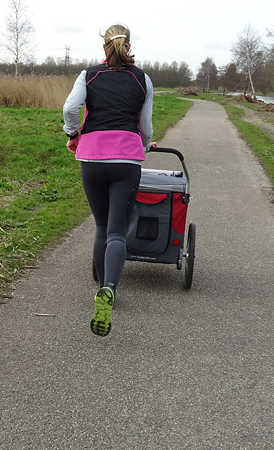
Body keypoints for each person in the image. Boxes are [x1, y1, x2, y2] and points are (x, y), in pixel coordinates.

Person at [62, 23, 155, 337]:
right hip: (126, 160)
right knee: (117, 229)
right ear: (129, 47)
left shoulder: (89, 75)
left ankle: (102, 285)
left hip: (91, 158)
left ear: (104, 47)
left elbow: (70, 108)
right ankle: (109, 288)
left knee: (101, 226)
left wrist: (73, 133)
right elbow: (146, 127)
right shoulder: (142, 79)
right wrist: (144, 145)